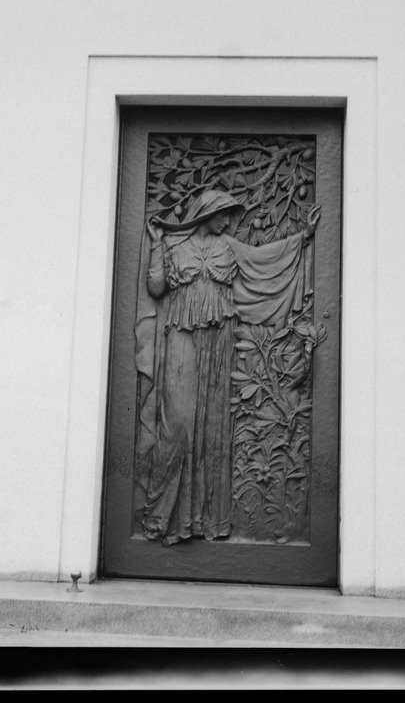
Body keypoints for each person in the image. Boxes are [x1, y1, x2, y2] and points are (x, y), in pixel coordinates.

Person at [134, 189, 320, 545]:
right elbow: (156, 288)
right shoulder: (175, 249)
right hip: (182, 340)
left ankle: (204, 521)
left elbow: (263, 260)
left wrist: (303, 237)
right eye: (224, 214)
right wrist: (157, 243)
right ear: (207, 214)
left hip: (218, 344)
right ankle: (160, 516)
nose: (228, 221)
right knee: (179, 423)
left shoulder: (229, 248)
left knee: (212, 427)